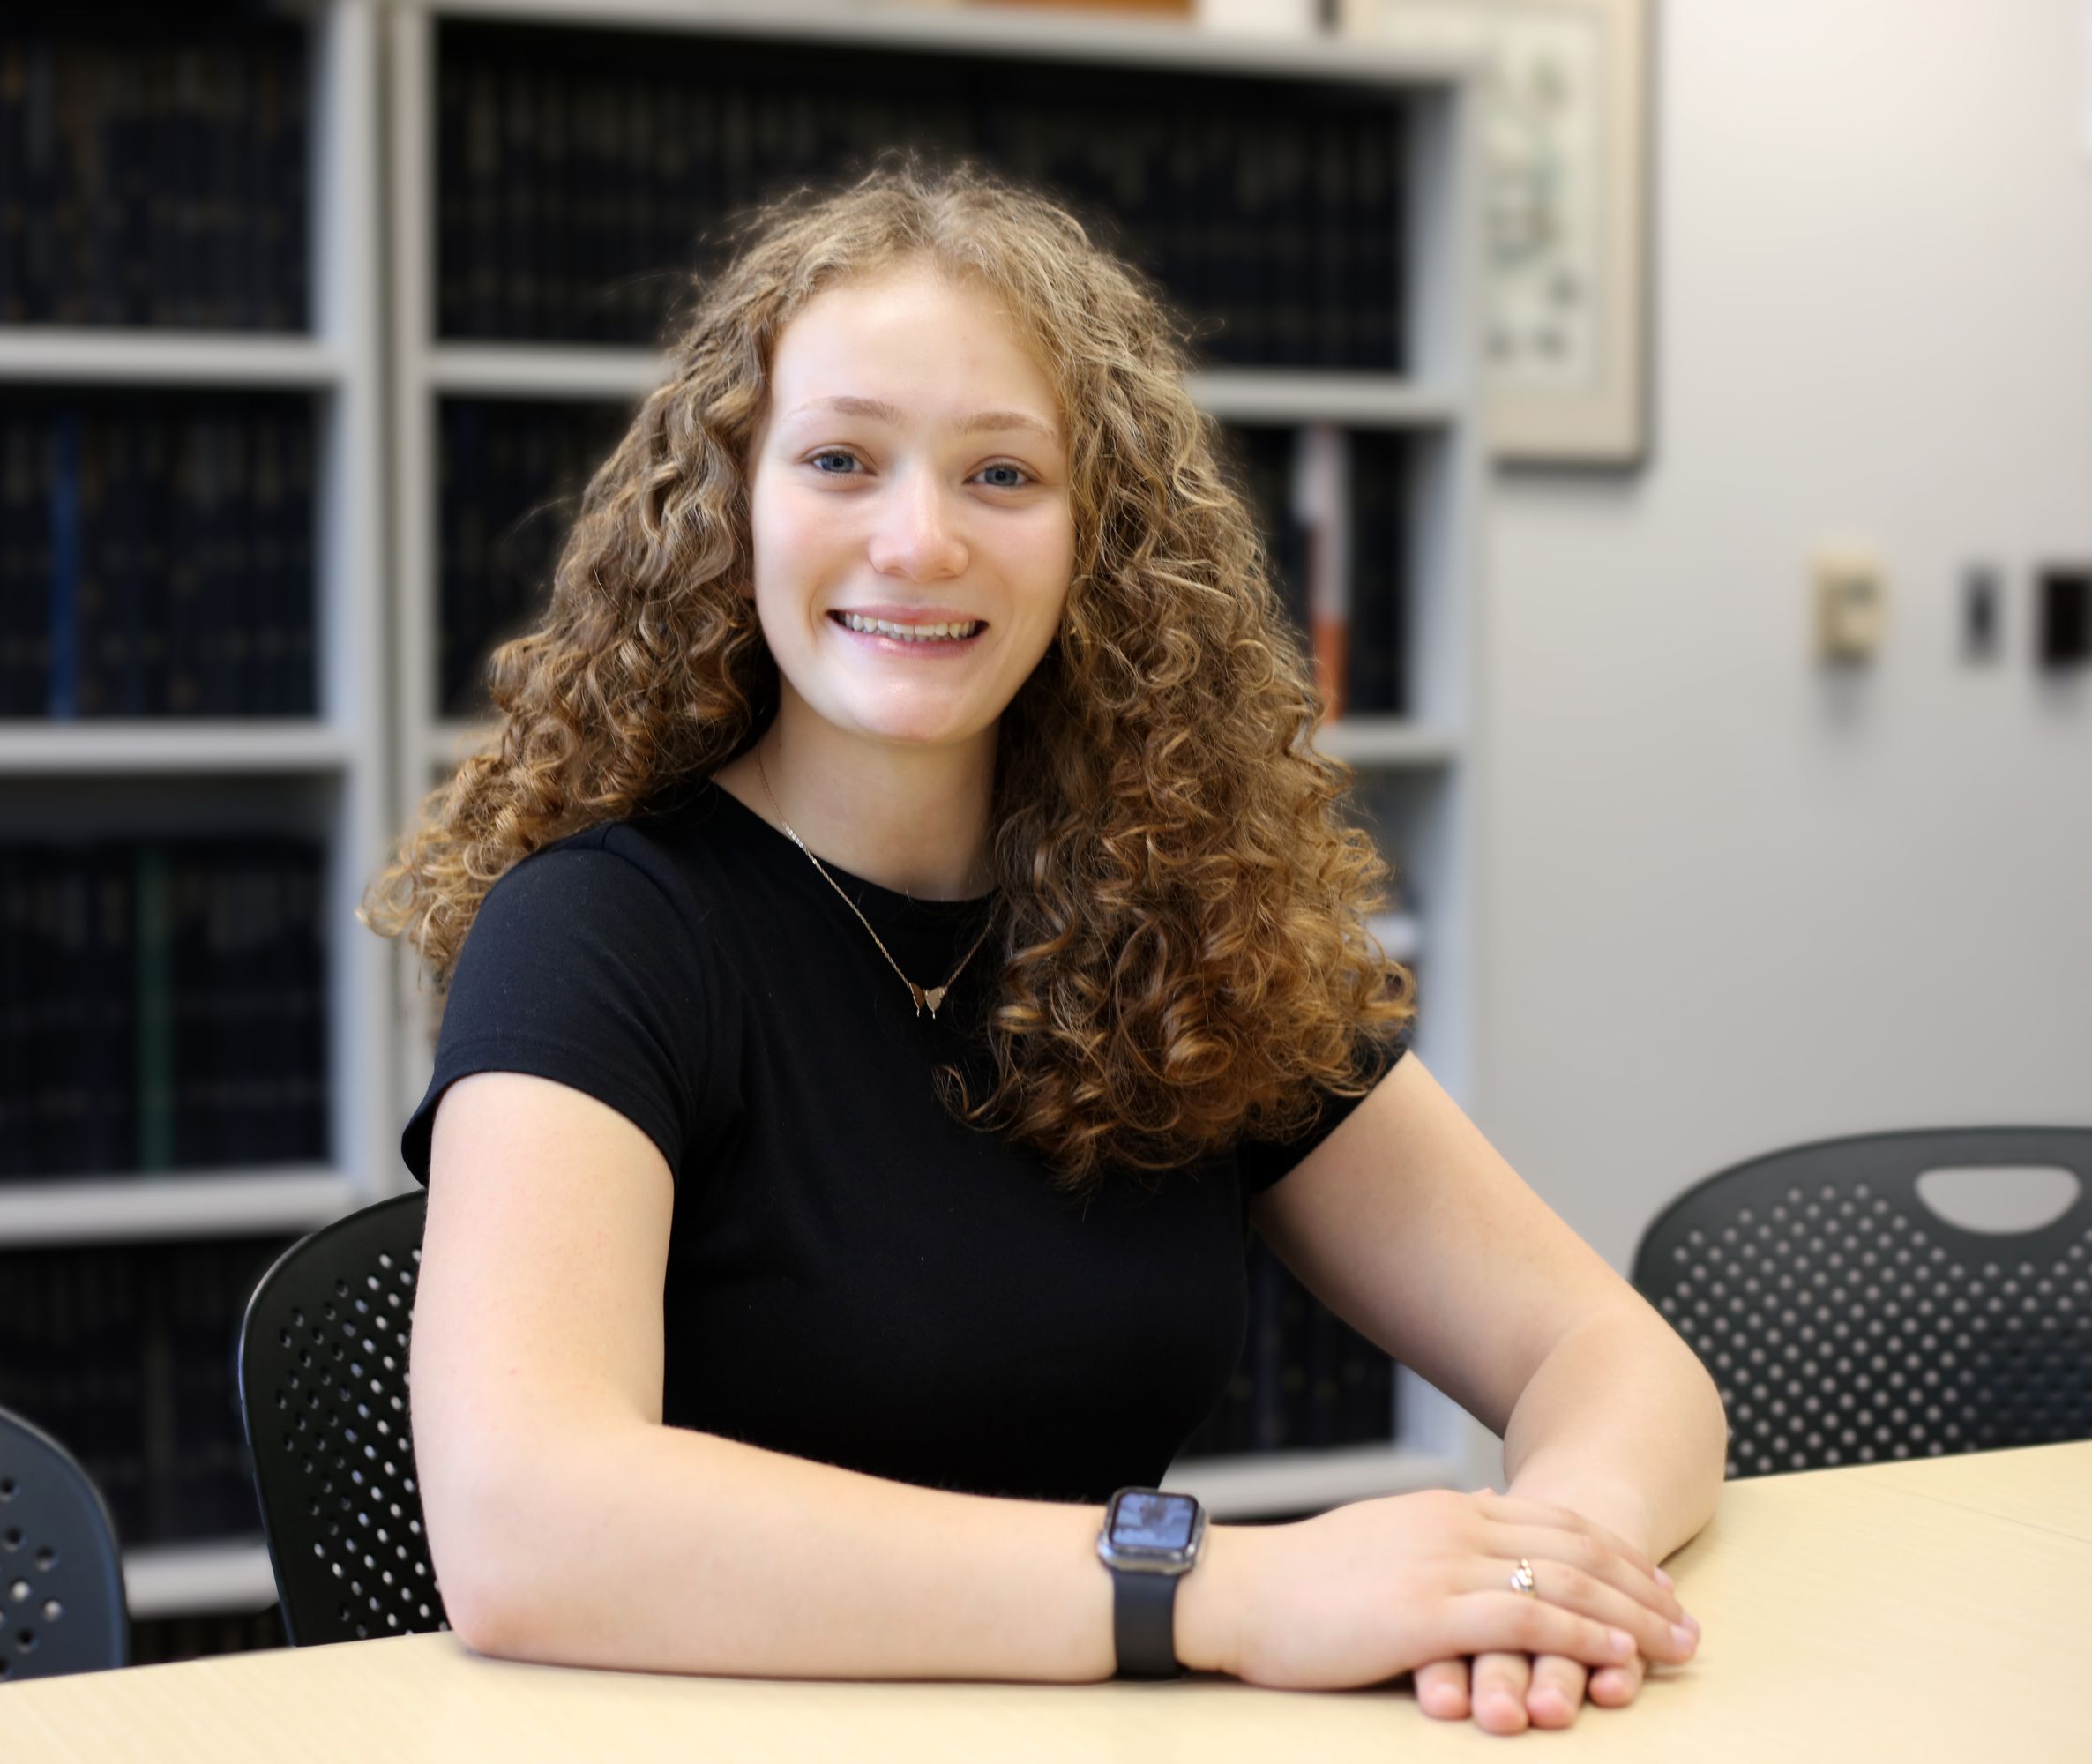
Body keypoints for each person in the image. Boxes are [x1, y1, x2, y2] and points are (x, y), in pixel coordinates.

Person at [367, 162, 1725, 1737]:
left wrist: (1547, 1584)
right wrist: (1211, 1589)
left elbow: (1612, 1359)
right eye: (839, 459)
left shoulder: (1175, 916)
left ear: (1101, 541)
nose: (919, 542)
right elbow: (525, 1523)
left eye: (1002, 476)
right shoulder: (601, 930)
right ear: (730, 508)